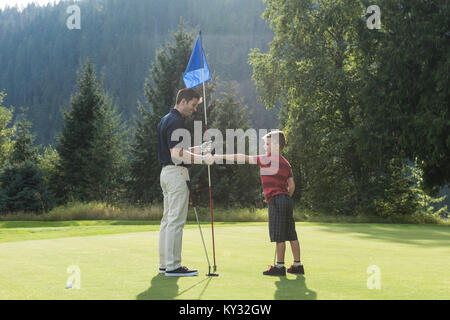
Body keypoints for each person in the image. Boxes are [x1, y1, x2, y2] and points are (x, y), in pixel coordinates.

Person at [213, 130, 304, 276]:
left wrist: (220, 156)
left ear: (276, 145)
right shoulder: (286, 163)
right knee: (291, 234)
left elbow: (242, 157)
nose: (265, 147)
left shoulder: (267, 159)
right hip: (287, 199)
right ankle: (298, 265)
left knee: (279, 236)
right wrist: (286, 197)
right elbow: (291, 186)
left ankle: (279, 267)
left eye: (267, 144)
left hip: (276, 199)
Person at [157, 88, 214, 277]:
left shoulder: (167, 119)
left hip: (166, 173)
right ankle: (173, 266)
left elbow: (178, 149)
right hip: (176, 174)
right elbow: (176, 153)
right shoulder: (177, 122)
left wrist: (199, 149)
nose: (195, 109)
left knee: (167, 220)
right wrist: (202, 159)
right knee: (175, 220)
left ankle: (165, 264)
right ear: (183, 101)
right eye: (193, 104)